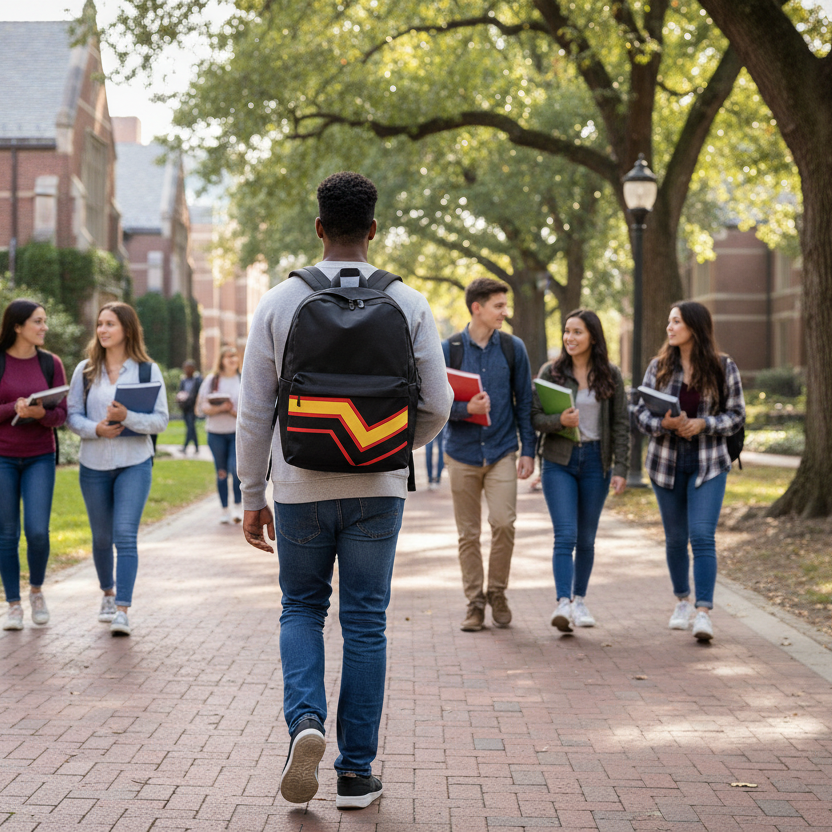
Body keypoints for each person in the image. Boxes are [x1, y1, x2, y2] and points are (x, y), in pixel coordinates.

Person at [237, 172, 452, 809]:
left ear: (319, 228)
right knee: (365, 623)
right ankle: (356, 774)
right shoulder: (409, 304)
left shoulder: (279, 302)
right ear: (374, 230)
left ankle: (306, 724)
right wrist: (387, 447)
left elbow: (253, 411)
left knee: (301, 609)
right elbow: (438, 404)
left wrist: (253, 494)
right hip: (377, 489)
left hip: (299, 485)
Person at [635, 301, 745, 642]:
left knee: (701, 536)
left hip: (708, 464)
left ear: (695, 327)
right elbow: (640, 414)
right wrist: (664, 424)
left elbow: (737, 415)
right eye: (669, 321)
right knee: (675, 539)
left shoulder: (723, 367)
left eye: (676, 322)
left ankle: (703, 612)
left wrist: (702, 424)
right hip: (666, 464)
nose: (669, 328)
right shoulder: (658, 368)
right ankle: (682, 600)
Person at [67, 301, 169, 637]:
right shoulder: (85, 370)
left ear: (126, 328)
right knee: (101, 538)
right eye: (99, 324)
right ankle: (108, 594)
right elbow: (72, 416)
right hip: (93, 464)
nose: (102, 330)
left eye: (110, 323)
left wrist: (129, 418)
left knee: (125, 535)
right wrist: (96, 428)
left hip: (134, 463)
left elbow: (161, 420)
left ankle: (123, 609)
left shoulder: (146, 370)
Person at [442, 278, 536, 632]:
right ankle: (475, 602)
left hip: (501, 452)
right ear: (476, 308)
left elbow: (524, 403)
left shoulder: (513, 349)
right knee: (468, 534)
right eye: (498, 306)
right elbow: (433, 404)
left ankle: (496, 592)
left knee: (503, 523)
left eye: (505, 306)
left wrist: (529, 451)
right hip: (462, 454)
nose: (504, 313)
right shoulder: (448, 349)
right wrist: (466, 408)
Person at [531, 309, 629, 633]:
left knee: (586, 539)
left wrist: (621, 468)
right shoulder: (551, 372)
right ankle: (563, 603)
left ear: (593, 337)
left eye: (577, 332)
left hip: (595, 463)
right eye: (566, 332)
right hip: (559, 461)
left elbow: (621, 425)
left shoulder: (610, 375)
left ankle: (580, 600)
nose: (569, 338)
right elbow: (534, 418)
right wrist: (559, 421)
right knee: (566, 535)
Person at [0, 300, 68, 631]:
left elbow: (62, 414)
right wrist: (13, 408)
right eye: (37, 321)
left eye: (44, 321)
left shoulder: (50, 363)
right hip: (3, 457)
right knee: (7, 533)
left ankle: (37, 591)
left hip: (40, 455)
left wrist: (40, 413)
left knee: (38, 532)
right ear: (17, 326)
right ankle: (12, 604)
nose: (43, 327)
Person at [197, 347, 242, 524]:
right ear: (221, 360)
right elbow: (201, 407)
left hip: (236, 433)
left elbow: (250, 409)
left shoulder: (242, 379)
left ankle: (238, 507)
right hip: (215, 434)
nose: (232, 359)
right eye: (228, 356)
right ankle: (224, 510)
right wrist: (220, 408)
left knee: (235, 469)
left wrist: (233, 412)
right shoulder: (212, 380)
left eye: (235, 356)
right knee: (221, 472)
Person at [176, 359, 202, 454]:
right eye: (186, 368)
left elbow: (199, 394)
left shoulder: (197, 380)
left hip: (192, 407)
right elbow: (180, 392)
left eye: (189, 368)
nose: (187, 370)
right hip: (185, 407)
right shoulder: (183, 380)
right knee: (191, 428)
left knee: (191, 427)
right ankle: (196, 447)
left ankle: (185, 447)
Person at [424, 424, 446, 490]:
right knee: (441, 451)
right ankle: (437, 478)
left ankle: (430, 478)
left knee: (429, 451)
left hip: (429, 423)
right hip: (441, 421)